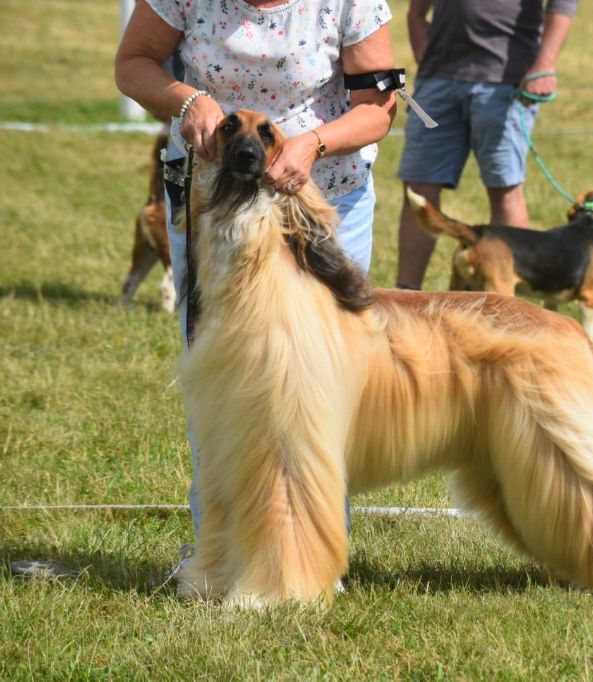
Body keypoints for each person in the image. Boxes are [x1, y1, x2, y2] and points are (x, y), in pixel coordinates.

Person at [114, 0, 397, 548]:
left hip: (318, 199)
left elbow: (377, 110)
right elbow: (135, 63)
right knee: (222, 377)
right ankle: (218, 548)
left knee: (314, 386)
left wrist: (311, 144)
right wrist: (188, 100)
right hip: (210, 202)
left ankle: (312, 552)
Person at [394, 0, 577, 290]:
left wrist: (545, 64)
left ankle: (511, 304)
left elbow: (563, 4)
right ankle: (406, 296)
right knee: (417, 189)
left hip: (506, 82)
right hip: (437, 79)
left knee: (504, 190)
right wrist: (415, 20)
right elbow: (416, 12)